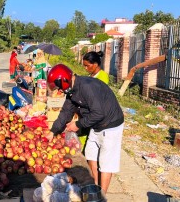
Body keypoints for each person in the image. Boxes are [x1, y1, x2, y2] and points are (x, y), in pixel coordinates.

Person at [45, 64, 124, 195]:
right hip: (96, 124)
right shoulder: (71, 91)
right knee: (90, 155)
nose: (59, 91)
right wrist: (53, 131)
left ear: (64, 81)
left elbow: (99, 113)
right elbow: (65, 112)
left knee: (106, 163)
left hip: (110, 125)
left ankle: (101, 196)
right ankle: (96, 187)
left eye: (59, 87)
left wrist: (78, 124)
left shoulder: (87, 87)